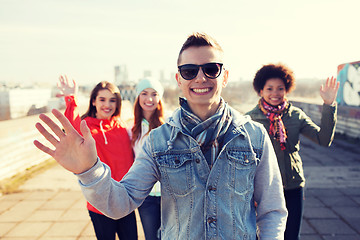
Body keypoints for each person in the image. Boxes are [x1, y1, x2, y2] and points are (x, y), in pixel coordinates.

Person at [34, 32, 287, 239]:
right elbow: (121, 202)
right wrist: (88, 170)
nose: (201, 77)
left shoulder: (254, 136)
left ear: (225, 76)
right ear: (178, 79)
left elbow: (272, 210)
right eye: (189, 71)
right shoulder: (158, 142)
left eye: (211, 69)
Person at [246, 63, 339, 240]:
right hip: (262, 188)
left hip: (293, 186)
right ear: (260, 91)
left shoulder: (296, 115)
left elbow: (324, 139)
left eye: (280, 88)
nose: (275, 93)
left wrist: (328, 104)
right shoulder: (250, 119)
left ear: (287, 89)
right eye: (270, 88)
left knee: (291, 236)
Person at [56, 76, 138, 240]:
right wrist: (71, 98)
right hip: (99, 204)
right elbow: (72, 127)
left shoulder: (122, 126)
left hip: (124, 201)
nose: (107, 105)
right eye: (102, 99)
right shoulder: (86, 128)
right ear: (93, 101)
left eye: (112, 100)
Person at [131, 78, 164, 240]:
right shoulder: (132, 130)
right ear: (138, 97)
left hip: (169, 195)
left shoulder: (168, 127)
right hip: (146, 197)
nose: (149, 99)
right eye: (144, 94)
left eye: (154, 94)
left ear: (160, 98)